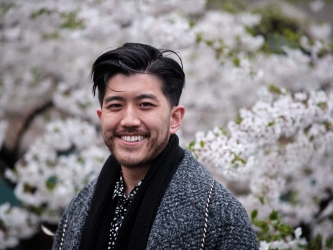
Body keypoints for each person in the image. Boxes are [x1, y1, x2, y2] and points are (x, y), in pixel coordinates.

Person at [53, 43, 259, 249]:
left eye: (145, 105)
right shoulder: (78, 210)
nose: (129, 121)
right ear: (101, 117)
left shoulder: (219, 216)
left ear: (174, 118)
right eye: (115, 106)